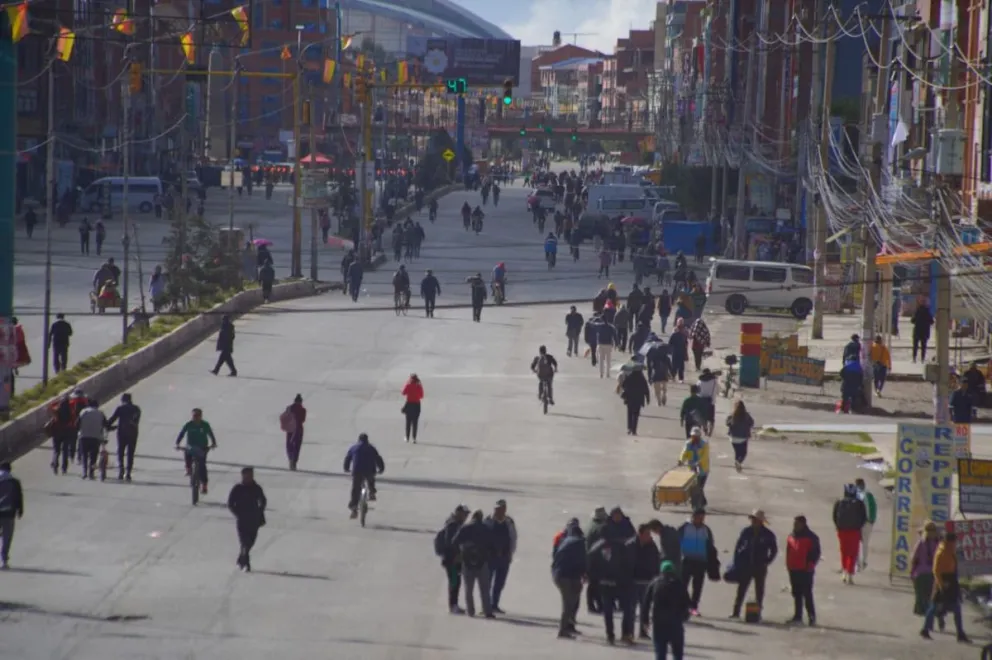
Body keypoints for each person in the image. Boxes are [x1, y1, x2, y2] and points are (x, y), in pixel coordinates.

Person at [587, 512, 636, 644]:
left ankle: (623, 634)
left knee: (625, 610)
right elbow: (591, 562)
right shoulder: (602, 547)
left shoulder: (624, 546)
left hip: (620, 582)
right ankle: (612, 634)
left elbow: (631, 562)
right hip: (608, 583)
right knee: (611, 610)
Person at [920, 531, 970, 642]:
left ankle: (960, 633)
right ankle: (925, 630)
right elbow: (936, 570)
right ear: (949, 541)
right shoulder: (942, 552)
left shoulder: (950, 550)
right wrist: (942, 585)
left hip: (951, 582)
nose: (955, 544)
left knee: (954, 608)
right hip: (943, 584)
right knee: (934, 607)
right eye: (954, 542)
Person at [729, 510, 778, 620]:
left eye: (755, 520)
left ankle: (758, 613)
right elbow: (738, 546)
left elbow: (774, 550)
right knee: (741, 589)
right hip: (746, 566)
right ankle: (736, 612)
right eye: (752, 519)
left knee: (759, 591)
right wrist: (737, 561)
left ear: (761, 521)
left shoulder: (768, 534)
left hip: (760, 567)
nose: (753, 521)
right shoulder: (746, 532)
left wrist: (767, 561)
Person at [642, 561, 690, 660]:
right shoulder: (679, 584)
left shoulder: (655, 583)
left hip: (659, 623)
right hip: (675, 623)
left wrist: (645, 621)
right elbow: (687, 604)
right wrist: (684, 617)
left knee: (660, 653)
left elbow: (646, 603)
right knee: (677, 654)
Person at [453, 509, 495, 618]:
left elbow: (454, 541)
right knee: (484, 589)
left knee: (469, 588)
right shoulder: (486, 529)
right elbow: (492, 545)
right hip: (482, 562)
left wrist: (461, 552)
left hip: (467, 561)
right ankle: (487, 611)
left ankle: (470, 611)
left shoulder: (465, 528)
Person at [227, 467, 267, 572]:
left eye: (251, 475)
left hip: (254, 520)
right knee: (245, 542)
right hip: (242, 520)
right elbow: (230, 503)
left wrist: (260, 511)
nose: (249, 477)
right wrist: (237, 513)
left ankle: (242, 558)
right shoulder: (238, 488)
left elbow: (263, 500)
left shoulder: (257, 488)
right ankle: (246, 563)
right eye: (247, 475)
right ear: (243, 476)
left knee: (251, 542)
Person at [678, 508, 716, 616]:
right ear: (693, 516)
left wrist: (710, 562)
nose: (701, 519)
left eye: (702, 517)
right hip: (686, 560)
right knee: (683, 585)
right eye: (698, 517)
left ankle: (694, 607)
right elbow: (676, 541)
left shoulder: (706, 530)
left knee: (697, 586)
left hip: (701, 561)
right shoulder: (684, 528)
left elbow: (710, 546)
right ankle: (684, 606)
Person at [551, 518, 586, 638]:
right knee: (568, 604)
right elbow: (584, 560)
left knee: (572, 601)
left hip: (560, 574)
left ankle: (568, 626)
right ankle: (563, 630)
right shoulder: (580, 542)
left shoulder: (564, 540)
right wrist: (585, 573)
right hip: (565, 575)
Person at [435, 505, 471, 614]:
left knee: (455, 582)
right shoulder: (453, 525)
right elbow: (451, 542)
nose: (466, 517)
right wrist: (456, 555)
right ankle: (453, 605)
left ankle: (454, 604)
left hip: (453, 559)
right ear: (458, 513)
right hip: (452, 560)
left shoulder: (455, 524)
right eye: (465, 514)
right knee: (454, 581)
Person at [786, 515, 821, 626]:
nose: (795, 526)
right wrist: (788, 565)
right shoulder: (791, 536)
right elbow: (789, 550)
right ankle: (798, 616)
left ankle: (811, 617)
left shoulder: (811, 537)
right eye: (794, 523)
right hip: (793, 569)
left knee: (807, 594)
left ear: (803, 524)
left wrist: (810, 565)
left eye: (797, 523)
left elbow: (816, 553)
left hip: (805, 570)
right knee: (796, 594)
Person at [484, 499, 518, 614]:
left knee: (499, 583)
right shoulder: (487, 521)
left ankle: (495, 604)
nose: (498, 511)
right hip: (489, 557)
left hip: (504, 557)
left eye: (501, 508)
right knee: (487, 582)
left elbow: (513, 538)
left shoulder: (509, 522)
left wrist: (510, 553)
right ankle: (486, 605)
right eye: (496, 508)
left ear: (505, 509)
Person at [630, 523, 661, 639]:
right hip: (633, 582)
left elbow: (657, 563)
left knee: (645, 609)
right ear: (640, 534)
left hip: (647, 583)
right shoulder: (631, 545)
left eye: (650, 533)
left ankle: (643, 632)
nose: (650, 536)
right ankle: (629, 632)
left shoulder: (652, 547)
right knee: (631, 609)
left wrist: (657, 579)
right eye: (647, 534)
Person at [176, 408, 218, 494]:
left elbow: (211, 434)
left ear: (201, 416)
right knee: (187, 452)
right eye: (194, 416)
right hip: (191, 447)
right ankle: (188, 468)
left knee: (202, 466)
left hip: (202, 448)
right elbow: (182, 433)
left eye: (197, 416)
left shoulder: (205, 425)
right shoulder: (189, 424)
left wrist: (213, 443)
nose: (195, 418)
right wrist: (177, 443)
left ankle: (204, 485)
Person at [343, 433, 384, 518]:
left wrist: (346, 468)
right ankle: (372, 492)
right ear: (367, 440)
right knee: (371, 479)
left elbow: (347, 458)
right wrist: (381, 469)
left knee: (355, 489)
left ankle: (354, 507)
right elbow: (378, 458)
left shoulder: (354, 447)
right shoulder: (371, 448)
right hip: (369, 470)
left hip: (357, 471)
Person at [832, 484, 867, 583]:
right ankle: (850, 574)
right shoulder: (859, 503)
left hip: (842, 531)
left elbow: (834, 516)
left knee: (844, 552)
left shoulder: (839, 502)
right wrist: (859, 527)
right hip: (854, 531)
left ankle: (844, 571)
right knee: (853, 553)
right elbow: (864, 518)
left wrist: (838, 527)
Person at [911, 521, 944, 623]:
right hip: (935, 575)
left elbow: (914, 559)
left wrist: (912, 573)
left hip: (921, 574)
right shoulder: (940, 544)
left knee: (923, 600)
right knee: (934, 599)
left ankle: (928, 622)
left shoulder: (921, 543)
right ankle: (937, 616)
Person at [106, 393, 141, 481]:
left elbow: (112, 419)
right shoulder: (137, 409)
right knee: (130, 453)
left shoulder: (120, 408)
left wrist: (107, 426)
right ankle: (128, 472)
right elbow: (136, 421)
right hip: (133, 433)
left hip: (122, 432)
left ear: (123, 400)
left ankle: (121, 469)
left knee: (120, 451)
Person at [0, 462, 24, 569]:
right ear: (10, 470)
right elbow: (19, 497)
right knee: (7, 537)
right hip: (9, 513)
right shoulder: (15, 482)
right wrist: (20, 510)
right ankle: (4, 559)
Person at [77, 399, 108, 480]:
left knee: (84, 455)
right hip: (95, 437)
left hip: (84, 436)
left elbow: (77, 423)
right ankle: (91, 473)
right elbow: (106, 424)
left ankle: (84, 472)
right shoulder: (100, 413)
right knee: (93, 456)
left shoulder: (83, 412)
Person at [679, 428, 710, 507]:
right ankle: (700, 501)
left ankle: (697, 502)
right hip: (692, 469)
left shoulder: (704, 445)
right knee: (694, 486)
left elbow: (705, 456)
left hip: (703, 469)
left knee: (699, 486)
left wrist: (699, 462)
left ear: (699, 436)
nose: (694, 438)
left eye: (696, 436)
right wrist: (681, 460)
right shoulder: (688, 444)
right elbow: (684, 453)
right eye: (693, 436)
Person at [620, 363, 650, 435]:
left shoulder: (629, 377)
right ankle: (634, 430)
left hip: (630, 398)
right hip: (638, 399)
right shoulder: (642, 379)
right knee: (636, 414)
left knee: (629, 413)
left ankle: (629, 428)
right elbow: (646, 389)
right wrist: (647, 398)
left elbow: (623, 385)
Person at [854, 477, 877, 570]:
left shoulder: (858, 495)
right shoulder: (868, 495)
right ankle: (863, 562)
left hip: (859, 522)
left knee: (857, 543)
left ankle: (859, 562)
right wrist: (871, 520)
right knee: (865, 543)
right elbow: (873, 508)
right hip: (867, 522)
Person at [726, 400, 755, 472]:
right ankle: (739, 462)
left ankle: (737, 463)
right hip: (743, 438)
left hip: (733, 438)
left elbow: (727, 423)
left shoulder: (732, 415)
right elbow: (751, 423)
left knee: (737, 452)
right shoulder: (746, 415)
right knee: (744, 453)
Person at [283, 394, 307, 470]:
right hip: (299, 429)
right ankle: (294, 461)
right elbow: (303, 420)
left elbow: (284, 417)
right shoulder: (303, 410)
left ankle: (290, 458)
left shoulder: (289, 408)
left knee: (289, 444)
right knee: (297, 446)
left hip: (290, 428)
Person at [402, 374, 424, 443]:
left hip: (409, 404)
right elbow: (421, 396)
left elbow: (403, 392)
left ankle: (407, 437)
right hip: (417, 405)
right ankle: (414, 438)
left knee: (408, 422)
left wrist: (407, 383)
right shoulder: (419, 386)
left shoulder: (408, 385)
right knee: (415, 422)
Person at [696, 369, 717, 435]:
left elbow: (697, 391)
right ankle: (710, 431)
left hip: (701, 402)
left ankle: (703, 429)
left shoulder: (699, 381)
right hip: (711, 402)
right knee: (711, 419)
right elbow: (717, 390)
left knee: (701, 417)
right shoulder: (714, 381)